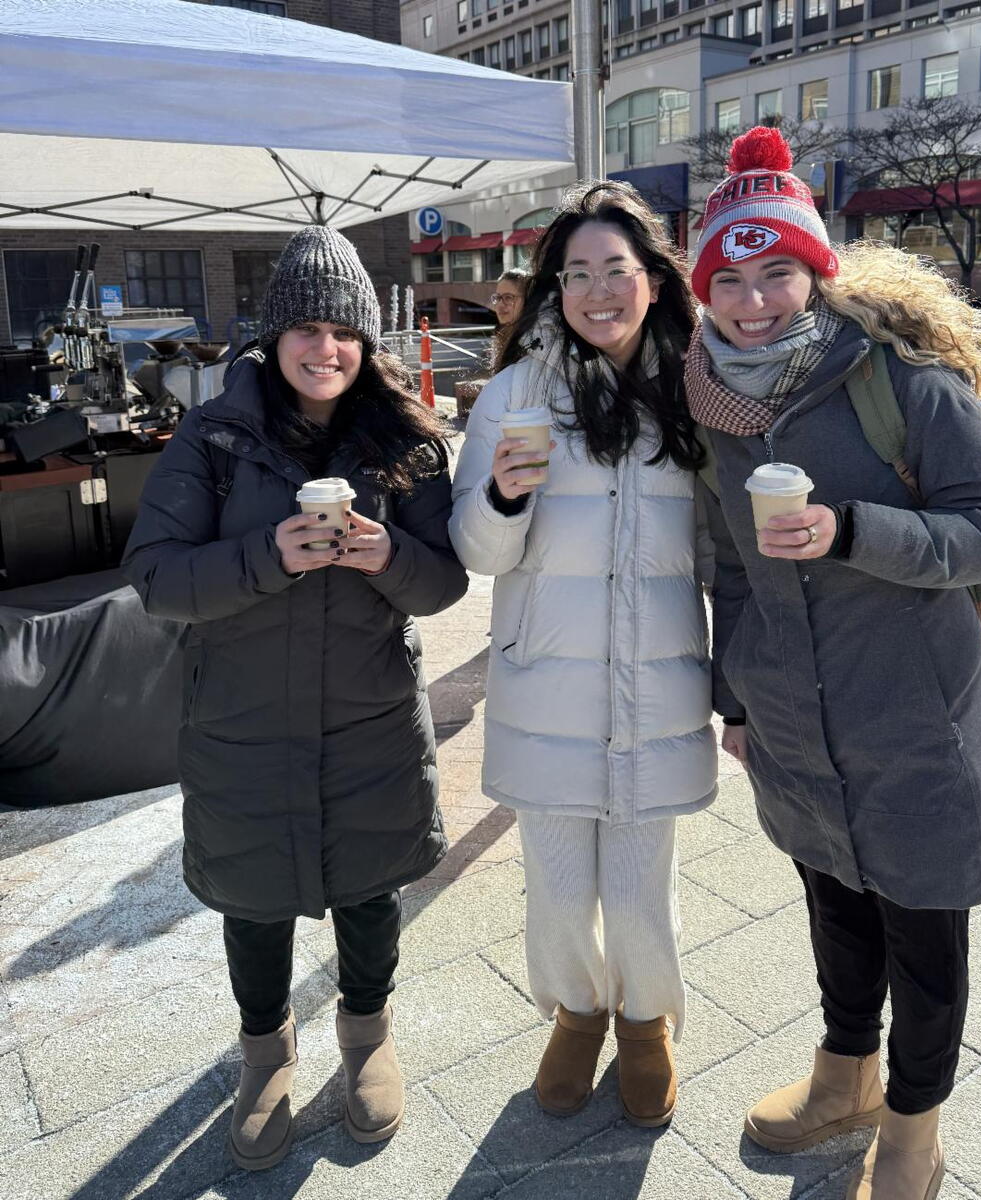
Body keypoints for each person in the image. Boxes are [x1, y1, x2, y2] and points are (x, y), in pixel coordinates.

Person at [686, 127, 981, 1200]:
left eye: (775, 271)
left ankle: (914, 1129)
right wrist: (731, 702)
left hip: (913, 715)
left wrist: (850, 531)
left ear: (814, 271)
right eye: (728, 281)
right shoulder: (712, 407)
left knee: (923, 937)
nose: (752, 302)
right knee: (834, 905)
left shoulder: (903, 384)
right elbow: (729, 573)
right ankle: (845, 1076)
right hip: (793, 721)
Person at [123, 226, 468, 1171]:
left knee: (367, 890)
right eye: (308, 330)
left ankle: (366, 1037)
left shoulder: (404, 439)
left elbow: (444, 586)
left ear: (368, 344)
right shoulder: (216, 436)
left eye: (346, 333)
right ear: (274, 339)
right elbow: (155, 578)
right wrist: (268, 556)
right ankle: (263, 1055)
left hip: (369, 721)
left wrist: (388, 554)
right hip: (242, 721)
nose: (327, 350)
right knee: (255, 898)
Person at [448, 181, 715, 1128]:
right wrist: (504, 500)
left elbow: (723, 546)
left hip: (660, 683)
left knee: (641, 892)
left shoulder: (698, 388)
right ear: (555, 288)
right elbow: (474, 552)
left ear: (652, 281)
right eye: (577, 275)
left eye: (617, 270)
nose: (597, 290)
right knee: (559, 887)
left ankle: (646, 1025)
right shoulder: (517, 392)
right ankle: (575, 1013)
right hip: (544, 683)